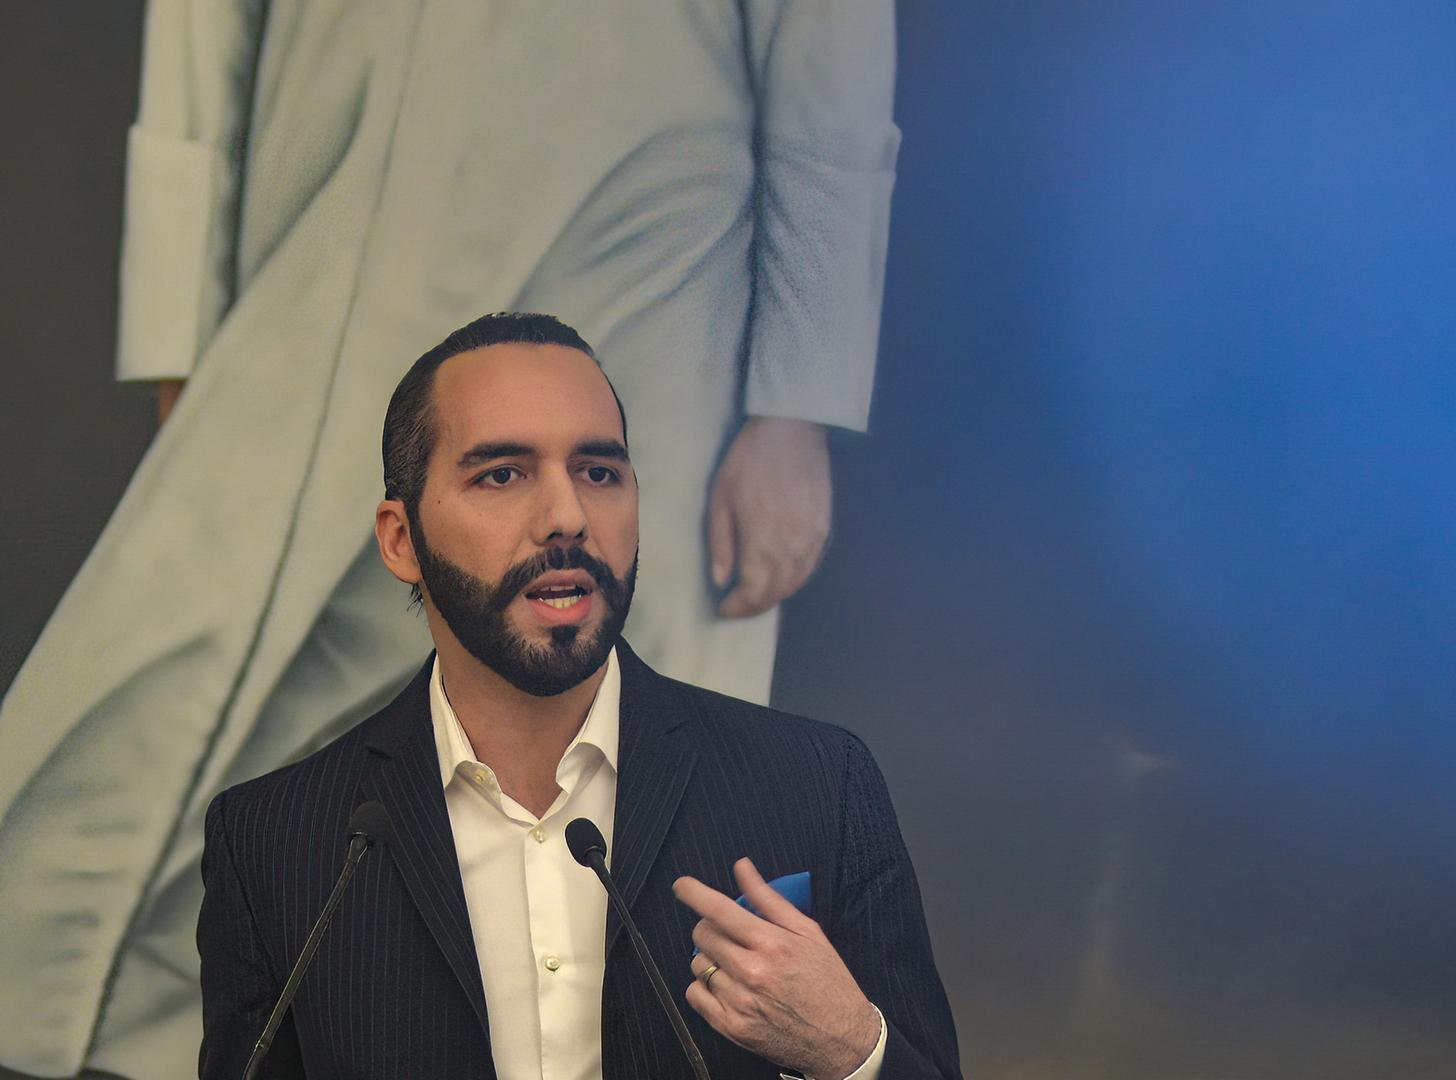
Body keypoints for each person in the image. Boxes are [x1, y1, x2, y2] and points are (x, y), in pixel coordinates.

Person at [0, 4, 899, 1075]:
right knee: (225, 747)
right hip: (330, 208)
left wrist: (794, 406)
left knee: (639, 771)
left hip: (650, 238)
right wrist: (179, 330)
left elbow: (826, 56)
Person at [198, 314, 959, 1079]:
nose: (566, 517)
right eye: (502, 474)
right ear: (401, 540)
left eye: (599, 472)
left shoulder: (815, 786)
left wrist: (849, 1052)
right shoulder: (277, 842)